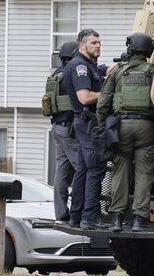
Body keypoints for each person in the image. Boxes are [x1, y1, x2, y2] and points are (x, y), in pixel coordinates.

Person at [98, 33, 154, 232]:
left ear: (131, 48)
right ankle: (140, 219)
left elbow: (103, 102)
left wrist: (103, 126)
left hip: (121, 126)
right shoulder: (153, 71)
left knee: (119, 171)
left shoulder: (118, 71)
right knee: (144, 173)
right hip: (146, 127)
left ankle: (116, 218)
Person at [62, 28, 107, 230]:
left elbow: (100, 71)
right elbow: (85, 97)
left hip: (84, 122)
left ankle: (76, 215)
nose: (98, 46)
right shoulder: (80, 66)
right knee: (95, 169)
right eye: (94, 43)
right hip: (88, 122)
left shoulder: (88, 65)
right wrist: (108, 92)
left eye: (99, 42)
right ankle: (91, 217)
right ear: (82, 45)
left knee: (82, 170)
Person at [47, 41, 79, 224]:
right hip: (69, 128)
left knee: (62, 170)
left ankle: (61, 214)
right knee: (83, 169)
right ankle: (77, 212)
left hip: (58, 127)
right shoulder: (70, 74)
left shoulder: (56, 75)